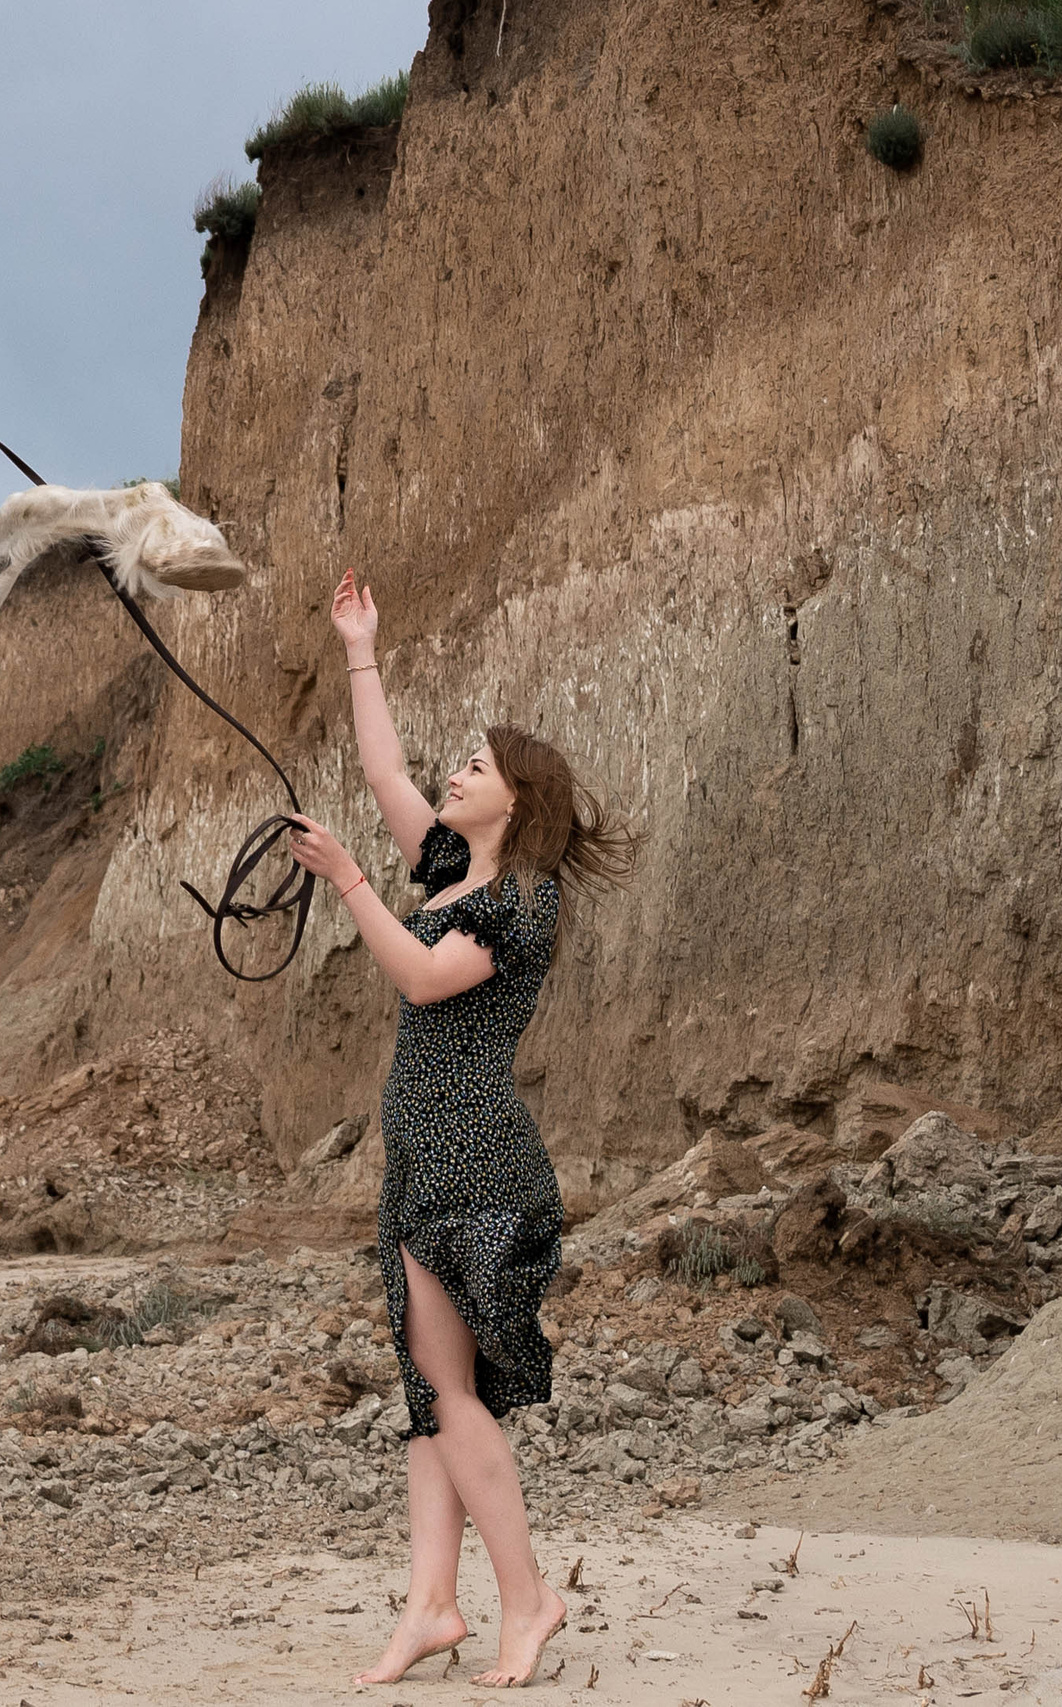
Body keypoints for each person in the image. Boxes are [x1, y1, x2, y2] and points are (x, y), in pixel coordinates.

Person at [286, 567, 635, 1688]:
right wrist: (360, 647)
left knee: (450, 1394)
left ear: (517, 802)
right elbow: (383, 767)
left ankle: (526, 1602)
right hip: (424, 1161)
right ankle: (433, 1604)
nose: (455, 770)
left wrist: (347, 881)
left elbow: (429, 980)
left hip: (475, 1161)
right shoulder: (448, 867)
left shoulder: (519, 904)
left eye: (476, 766)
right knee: (432, 1397)